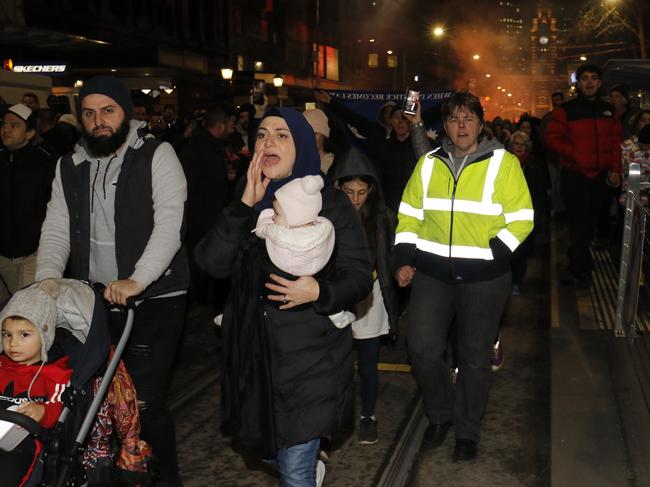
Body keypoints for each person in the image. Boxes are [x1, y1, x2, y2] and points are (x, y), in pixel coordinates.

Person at [194, 107, 372, 486]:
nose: (268, 141)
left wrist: (319, 290)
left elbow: (359, 277)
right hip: (253, 356)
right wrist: (243, 204)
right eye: (261, 134)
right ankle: (309, 467)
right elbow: (211, 263)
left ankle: (304, 469)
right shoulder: (249, 202)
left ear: (303, 146)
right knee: (265, 449)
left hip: (311, 357)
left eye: (281, 134)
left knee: (293, 468)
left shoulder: (332, 204)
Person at [35, 75, 189, 486]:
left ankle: (164, 479)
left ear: (126, 113)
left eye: (107, 111)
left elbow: (170, 224)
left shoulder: (157, 155)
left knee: (143, 399)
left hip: (154, 295)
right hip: (95, 297)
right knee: (95, 395)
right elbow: (56, 228)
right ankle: (109, 474)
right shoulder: (69, 165)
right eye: (89, 113)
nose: (98, 121)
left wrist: (138, 279)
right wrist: (47, 281)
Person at [395, 91, 533, 463]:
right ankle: (440, 416)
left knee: (474, 358)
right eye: (454, 119)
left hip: (485, 279)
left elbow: (522, 218)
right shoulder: (428, 163)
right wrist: (405, 257)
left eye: (468, 118)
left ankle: (467, 431)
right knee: (422, 350)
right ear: (445, 125)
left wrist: (495, 255)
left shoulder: (503, 163)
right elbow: (409, 214)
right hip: (432, 273)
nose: (461, 126)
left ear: (480, 123)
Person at [329, 146, 399, 445]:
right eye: (348, 192)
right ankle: (334, 417)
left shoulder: (382, 217)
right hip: (338, 297)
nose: (355, 199)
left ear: (371, 188)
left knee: (368, 365)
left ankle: (368, 416)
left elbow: (391, 256)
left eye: (361, 192)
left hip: (370, 298)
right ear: (337, 188)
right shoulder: (325, 215)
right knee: (337, 365)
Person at [545, 63, 622, 287]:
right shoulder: (565, 110)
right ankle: (582, 270)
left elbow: (616, 144)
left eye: (593, 78)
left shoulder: (609, 111)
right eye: (584, 78)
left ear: (599, 83)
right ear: (578, 83)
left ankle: (576, 261)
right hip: (575, 176)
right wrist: (575, 154)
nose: (589, 82)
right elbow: (552, 139)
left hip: (600, 177)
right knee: (578, 224)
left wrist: (615, 170)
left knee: (589, 225)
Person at [0, 286, 72, 486]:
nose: (12, 344)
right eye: (7, 334)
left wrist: (44, 411)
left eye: (24, 335)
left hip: (21, 442)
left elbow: (60, 408)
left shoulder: (54, 374)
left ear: (44, 335)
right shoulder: (1, 365)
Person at [0, 104, 56, 302]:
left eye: (14, 125)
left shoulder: (45, 163)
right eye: (4, 124)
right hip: (2, 255)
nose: (6, 129)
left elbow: (55, 208)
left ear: (30, 133)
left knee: (25, 312)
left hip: (30, 256)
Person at [303, 109, 335, 176]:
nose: (309, 137)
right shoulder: (294, 162)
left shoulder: (334, 164)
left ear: (324, 135)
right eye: (305, 133)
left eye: (314, 134)